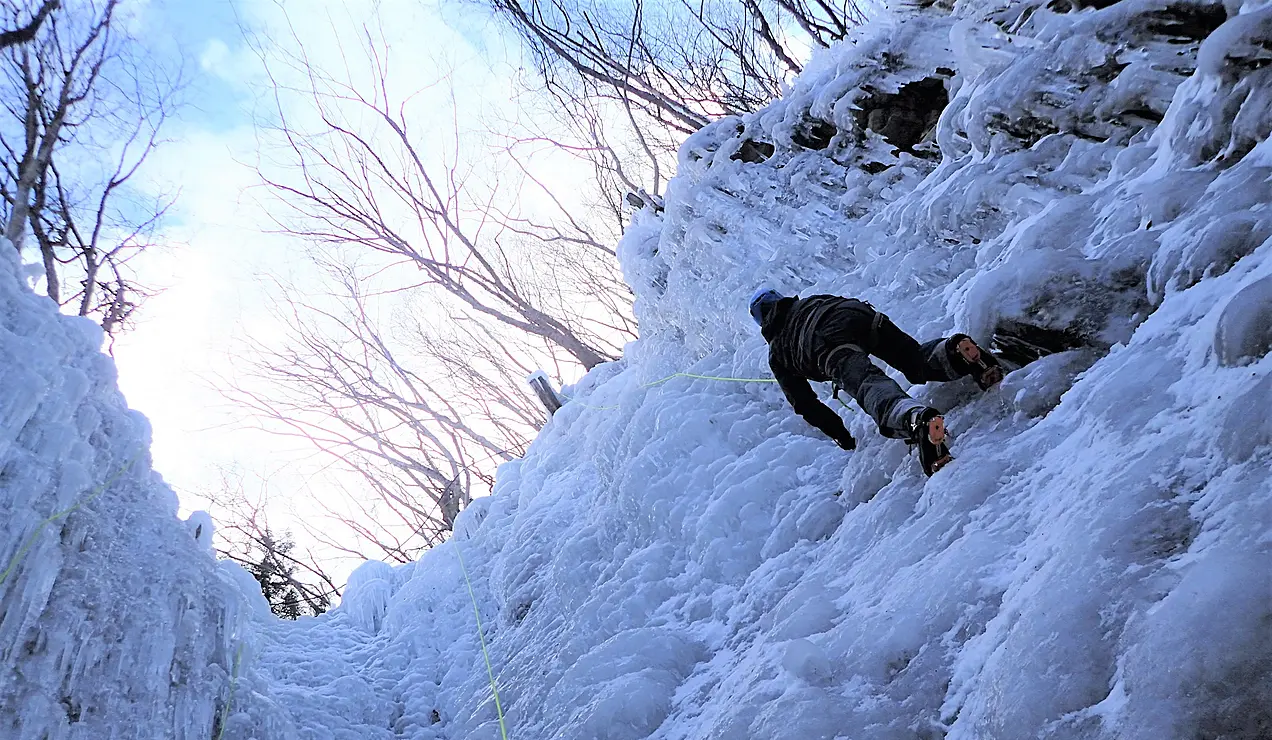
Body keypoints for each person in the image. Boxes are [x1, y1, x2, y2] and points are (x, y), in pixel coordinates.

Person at [749, 288, 1004, 476]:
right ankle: (954, 352)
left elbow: (805, 404)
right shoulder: (808, 301)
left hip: (827, 343)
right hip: (855, 313)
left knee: (870, 387)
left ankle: (917, 420)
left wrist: (842, 436)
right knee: (914, 361)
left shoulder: (778, 351)